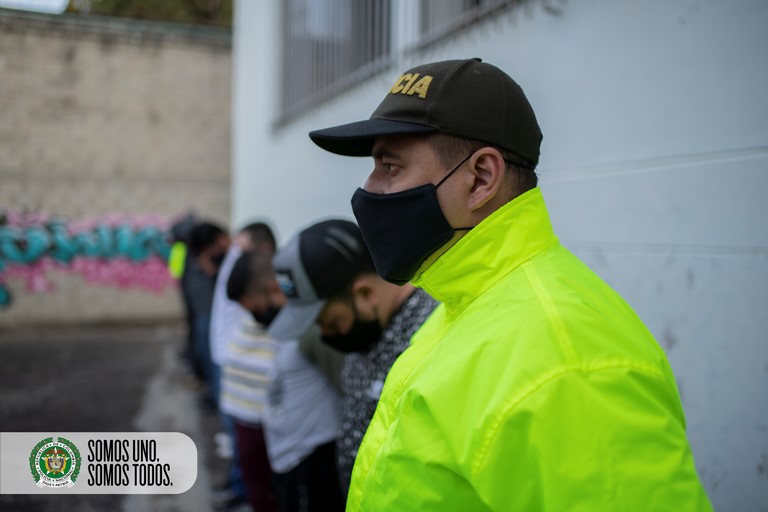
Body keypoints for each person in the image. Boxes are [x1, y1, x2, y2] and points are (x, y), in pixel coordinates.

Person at [307, 58, 713, 510]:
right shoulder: (462, 305)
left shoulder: (566, 362)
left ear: (481, 178)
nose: (368, 190)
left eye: (390, 167)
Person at [267, 219, 438, 494]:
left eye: (333, 323)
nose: (327, 335)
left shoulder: (431, 336)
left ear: (365, 294)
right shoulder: (371, 332)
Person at [240, 248, 346, 512]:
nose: (257, 315)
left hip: (313, 461)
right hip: (288, 459)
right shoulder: (286, 327)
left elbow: (346, 389)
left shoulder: (311, 332)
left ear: (275, 289)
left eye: (256, 307)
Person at [209, 222, 277, 511]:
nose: (235, 254)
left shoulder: (284, 326)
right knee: (255, 482)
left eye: (242, 248)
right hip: (244, 417)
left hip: (271, 429)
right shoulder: (251, 311)